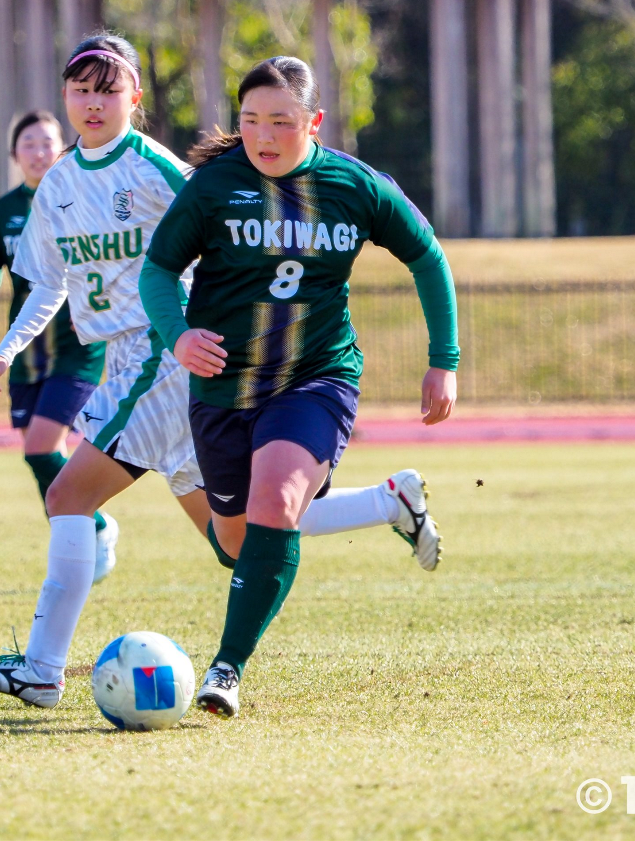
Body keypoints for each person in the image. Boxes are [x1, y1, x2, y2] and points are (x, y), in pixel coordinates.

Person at [0, 36, 442, 711]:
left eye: (107, 90)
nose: (92, 103)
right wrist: (6, 352)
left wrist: (208, 328)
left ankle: (42, 670)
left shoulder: (160, 169)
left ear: (135, 97)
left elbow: (229, 231)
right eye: (80, 89)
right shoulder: (59, 184)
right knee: (234, 542)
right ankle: (388, 502)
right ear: (63, 94)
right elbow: (48, 284)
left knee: (67, 496)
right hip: (137, 361)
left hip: (166, 356)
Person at [140, 56, 458, 717]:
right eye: (251, 120)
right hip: (225, 391)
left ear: (314, 123)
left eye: (281, 121)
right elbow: (159, 270)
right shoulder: (212, 187)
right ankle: (388, 502)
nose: (264, 134)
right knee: (237, 545)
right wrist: (178, 335)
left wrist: (443, 359)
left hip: (316, 378)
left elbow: (427, 255)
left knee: (278, 499)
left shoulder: (355, 185)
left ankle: (226, 669)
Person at [0, 110, 114, 581]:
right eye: (28, 143)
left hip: (78, 345)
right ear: (14, 154)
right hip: (27, 351)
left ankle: (95, 529)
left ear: (61, 149)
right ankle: (80, 537)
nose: (39, 151)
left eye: (48, 142)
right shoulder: (3, 212)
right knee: (38, 453)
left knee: (41, 448)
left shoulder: (82, 198)